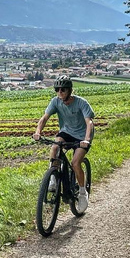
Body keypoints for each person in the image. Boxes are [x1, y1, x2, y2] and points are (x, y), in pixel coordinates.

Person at [33, 75, 95, 213]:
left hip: (82, 134)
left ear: (70, 90)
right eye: (57, 89)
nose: (60, 92)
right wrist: (38, 131)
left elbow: (89, 122)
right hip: (66, 132)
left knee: (75, 163)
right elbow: (44, 118)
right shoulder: (55, 102)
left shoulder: (81, 103)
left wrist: (86, 139)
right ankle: (53, 178)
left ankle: (83, 193)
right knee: (55, 147)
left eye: (63, 89)